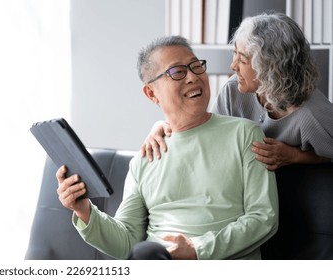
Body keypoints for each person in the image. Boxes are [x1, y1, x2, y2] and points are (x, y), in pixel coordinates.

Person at [56, 36, 278, 260]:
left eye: (195, 66)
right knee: (146, 253)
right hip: (156, 260)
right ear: (152, 93)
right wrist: (83, 210)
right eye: (177, 72)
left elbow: (263, 217)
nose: (193, 77)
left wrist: (197, 250)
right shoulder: (144, 159)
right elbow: (126, 242)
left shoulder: (245, 134)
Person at [141, 13, 333, 170]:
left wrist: (295, 156)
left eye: (242, 60)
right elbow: (205, 129)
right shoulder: (233, 90)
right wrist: (163, 126)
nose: (233, 66)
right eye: (235, 54)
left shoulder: (311, 114)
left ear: (270, 67)